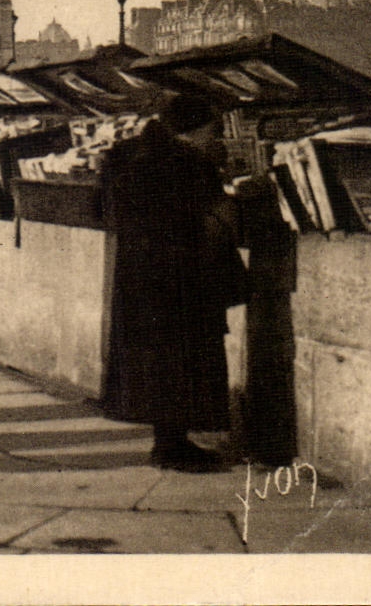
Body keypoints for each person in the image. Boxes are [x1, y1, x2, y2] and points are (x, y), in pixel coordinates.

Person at [99, 92, 247, 473]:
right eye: (214, 131)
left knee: (155, 364)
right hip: (183, 279)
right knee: (184, 361)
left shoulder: (123, 154)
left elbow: (99, 209)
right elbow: (218, 219)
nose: (218, 139)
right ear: (195, 130)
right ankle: (173, 447)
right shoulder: (192, 162)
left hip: (137, 277)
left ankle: (167, 443)